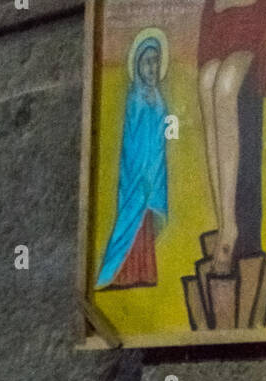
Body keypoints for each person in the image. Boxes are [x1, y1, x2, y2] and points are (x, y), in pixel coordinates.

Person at [198, 0, 266, 274]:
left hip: (250, 30)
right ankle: (224, 220)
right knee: (207, 80)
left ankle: (230, 231)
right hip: (221, 28)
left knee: (226, 83)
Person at [96, 30, 169, 290]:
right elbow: (133, 140)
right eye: (147, 62)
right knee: (130, 219)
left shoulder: (159, 98)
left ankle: (144, 273)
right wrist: (141, 169)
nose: (152, 67)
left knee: (145, 224)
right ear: (137, 65)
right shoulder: (135, 98)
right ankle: (120, 273)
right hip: (136, 172)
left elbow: (164, 134)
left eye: (155, 61)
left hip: (153, 170)